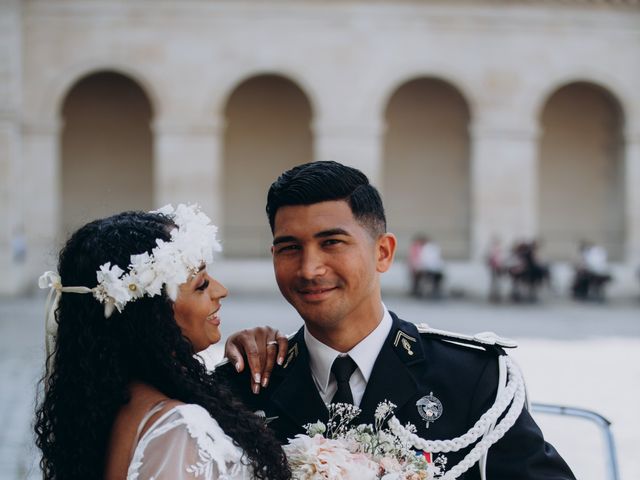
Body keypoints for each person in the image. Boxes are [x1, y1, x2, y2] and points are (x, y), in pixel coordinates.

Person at [222, 161, 575, 480]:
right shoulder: (239, 388)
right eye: (290, 248)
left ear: (383, 252)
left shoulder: (473, 378)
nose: (310, 268)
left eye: (332, 242)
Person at [35, 205, 291, 480]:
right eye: (201, 285)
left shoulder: (106, 403)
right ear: (151, 313)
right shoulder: (179, 429)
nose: (221, 291)